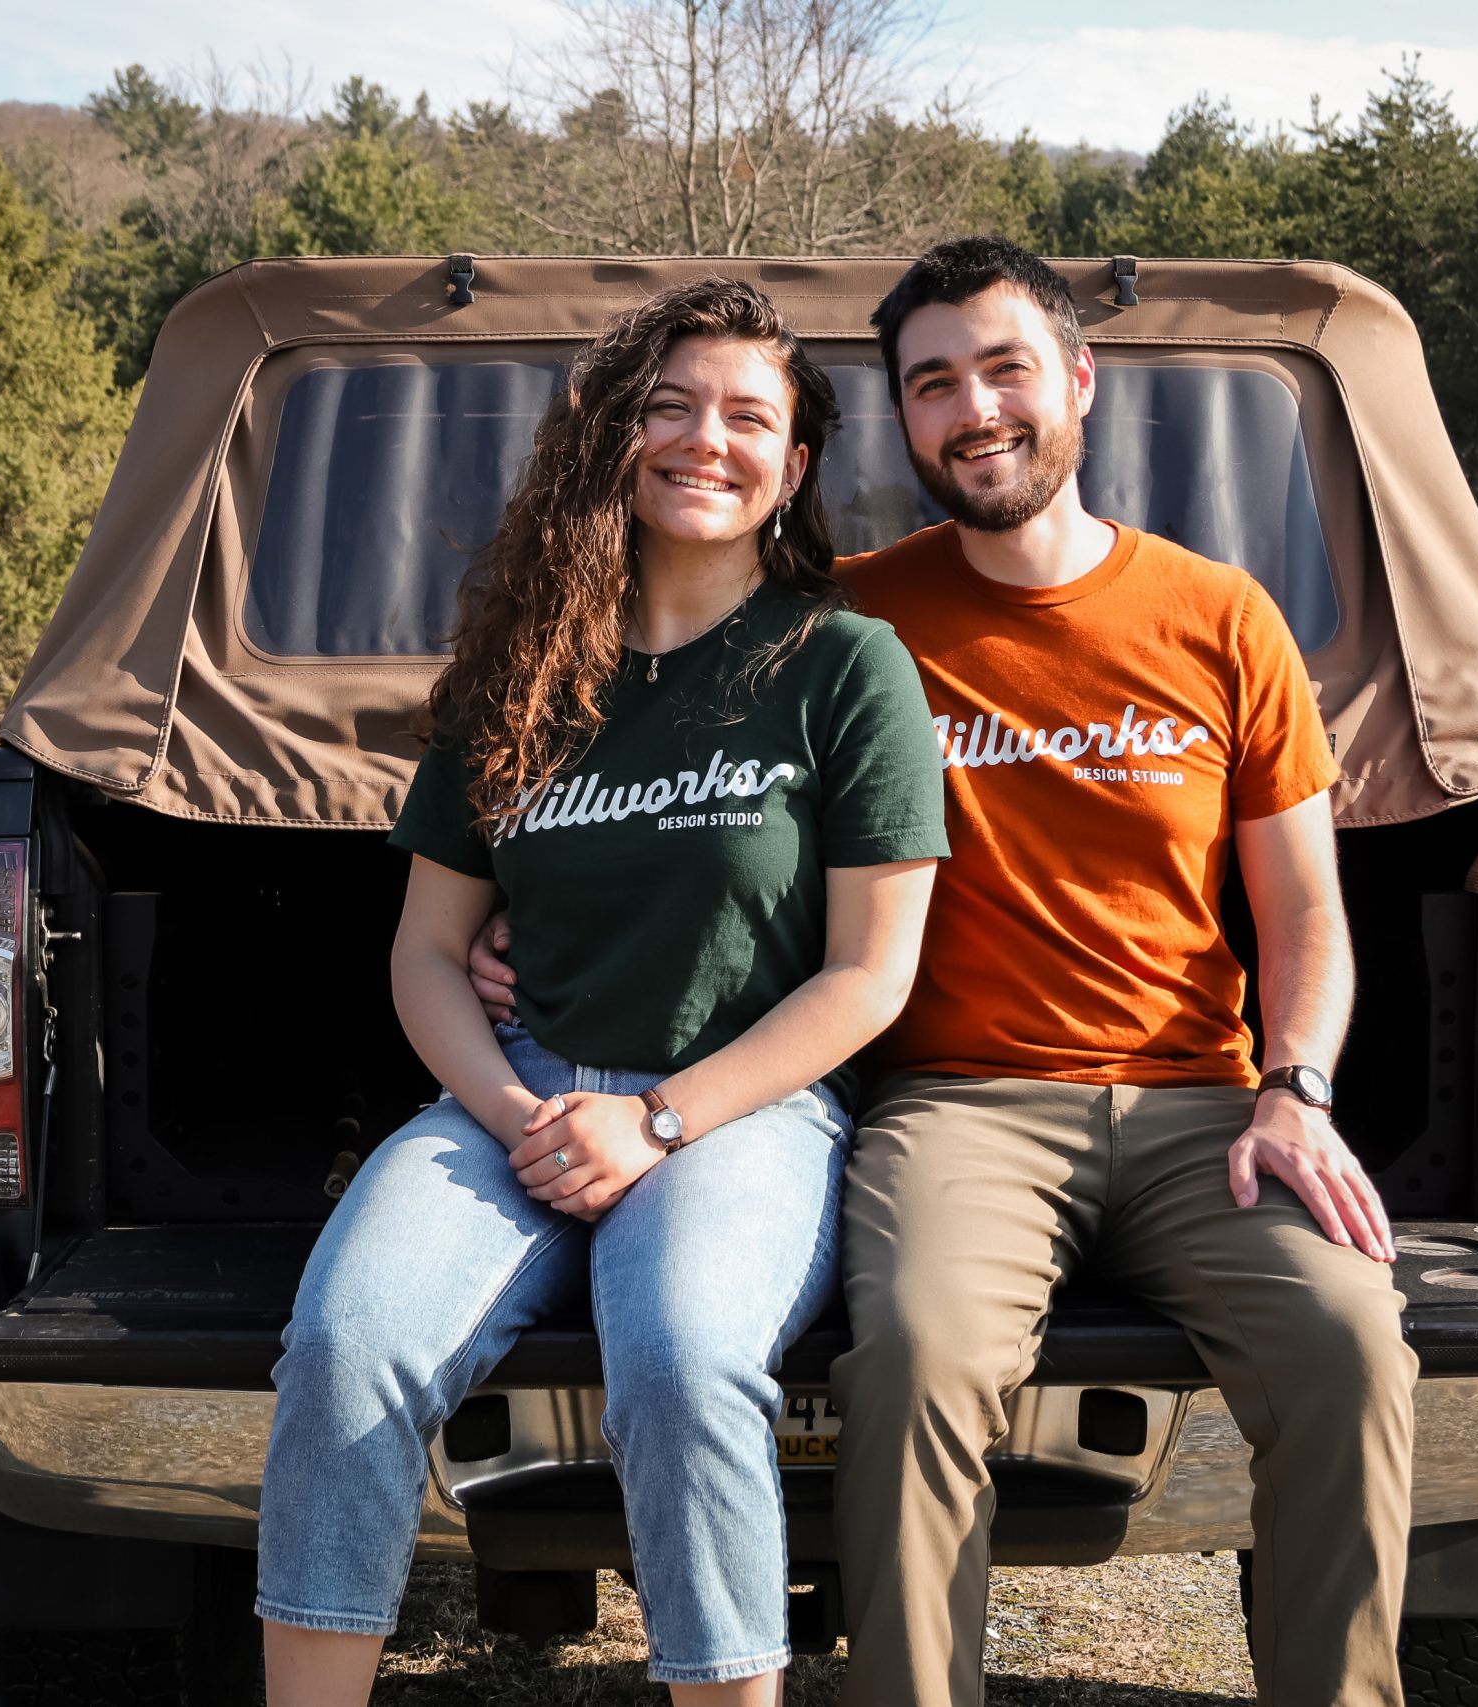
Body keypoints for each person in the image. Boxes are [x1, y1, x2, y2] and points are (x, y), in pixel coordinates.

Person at [475, 238, 1416, 1707]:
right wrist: (524, 898)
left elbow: (1304, 911)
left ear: (1079, 382)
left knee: (1354, 1342)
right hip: (959, 1108)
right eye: (932, 385)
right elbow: (660, 760)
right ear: (902, 421)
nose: (973, 410)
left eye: (1003, 370)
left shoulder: (1224, 619)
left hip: (1204, 1113)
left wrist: (1295, 1088)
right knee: (912, 1359)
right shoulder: (844, 624)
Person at [256, 277, 949, 1707]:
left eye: (749, 417)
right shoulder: (521, 668)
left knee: (688, 1365)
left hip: (744, 1116)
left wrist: (661, 1124)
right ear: (615, 437)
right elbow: (426, 954)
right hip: (518, 1095)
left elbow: (872, 973)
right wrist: (522, 1110)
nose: (708, 440)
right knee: (341, 1345)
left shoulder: (842, 665)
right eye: (671, 406)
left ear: (795, 467)